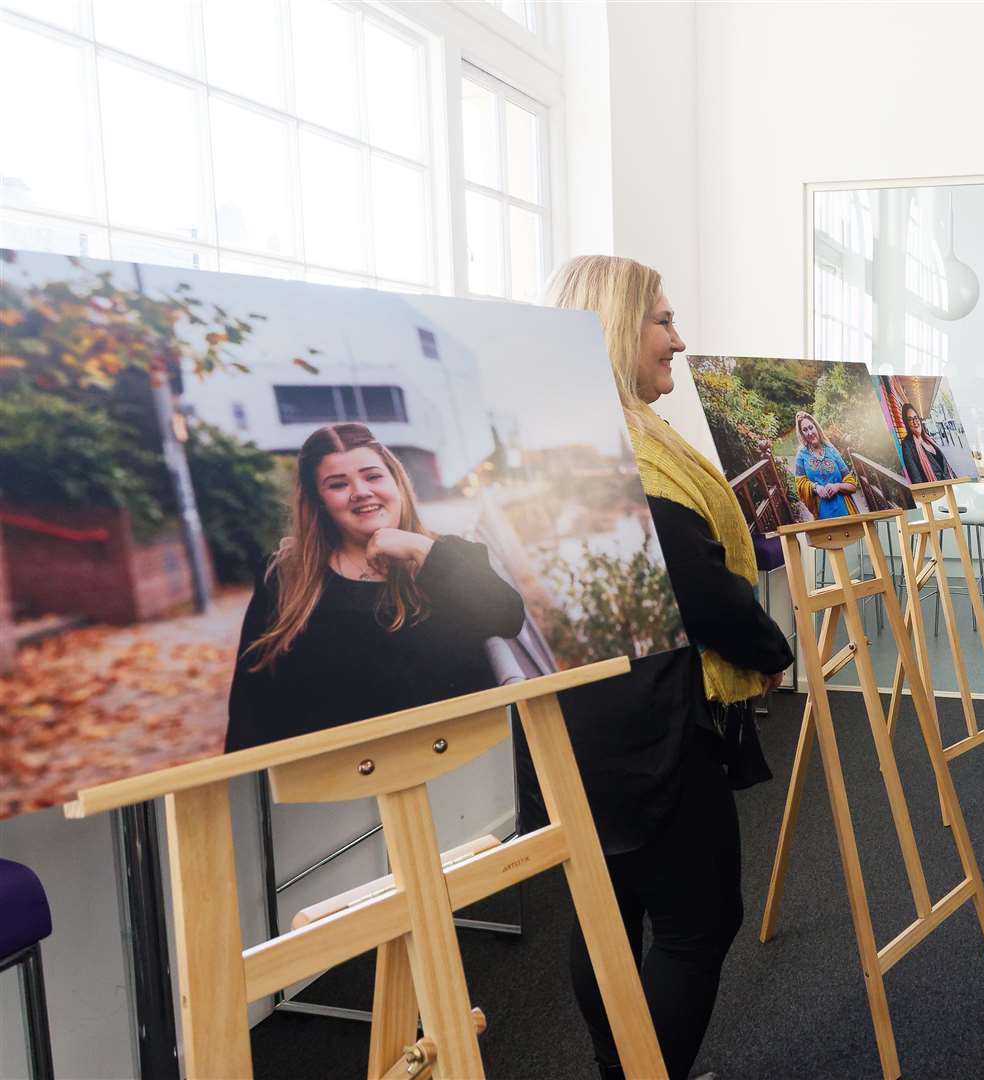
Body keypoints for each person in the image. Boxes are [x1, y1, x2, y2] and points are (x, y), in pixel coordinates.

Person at [543, 255, 794, 1080]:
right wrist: (772, 651)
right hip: (652, 727)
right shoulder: (632, 458)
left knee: (608, 922)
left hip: (579, 722)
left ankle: (625, 1070)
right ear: (616, 329)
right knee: (698, 921)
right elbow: (700, 592)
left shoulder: (558, 437)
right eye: (663, 322)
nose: (678, 341)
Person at [226, 422, 525, 752]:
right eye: (338, 484)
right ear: (319, 501)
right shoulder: (285, 577)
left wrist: (421, 551)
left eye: (373, 476)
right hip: (341, 785)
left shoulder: (450, 555)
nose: (361, 492)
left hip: (462, 765)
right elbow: (250, 707)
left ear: (396, 481)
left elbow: (507, 616)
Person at [791, 410, 858, 519]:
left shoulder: (832, 451)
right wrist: (815, 487)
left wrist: (837, 486)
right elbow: (800, 484)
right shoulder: (801, 455)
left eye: (811, 427)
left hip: (847, 512)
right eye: (805, 430)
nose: (810, 433)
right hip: (822, 516)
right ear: (802, 434)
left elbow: (852, 485)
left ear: (816, 427)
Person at [898, 401, 957, 483]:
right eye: (910, 420)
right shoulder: (907, 445)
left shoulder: (929, 439)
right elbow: (916, 480)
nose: (915, 422)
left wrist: (956, 480)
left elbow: (946, 466)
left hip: (951, 484)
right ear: (906, 424)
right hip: (936, 492)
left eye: (916, 417)